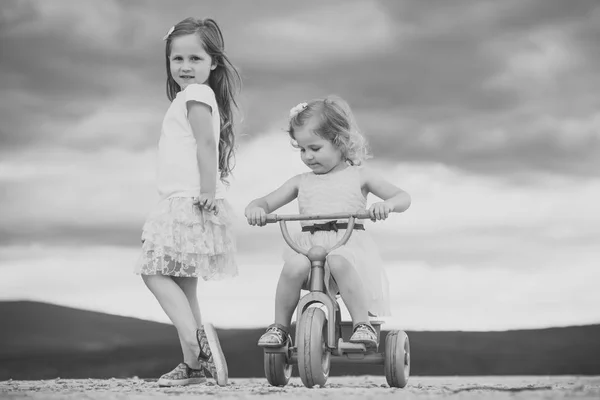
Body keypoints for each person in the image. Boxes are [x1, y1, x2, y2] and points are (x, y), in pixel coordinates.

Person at [245, 96, 411, 350]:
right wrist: (256, 209)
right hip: (309, 248)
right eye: (302, 149)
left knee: (338, 260)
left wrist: (386, 205)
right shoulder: (301, 181)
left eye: (315, 148)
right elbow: (264, 202)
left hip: (347, 248)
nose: (307, 156)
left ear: (339, 142)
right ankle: (279, 327)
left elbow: (403, 197)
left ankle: (361, 324)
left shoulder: (359, 176)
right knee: (293, 266)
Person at [134, 17, 241, 387]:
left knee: (152, 270)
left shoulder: (196, 95)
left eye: (195, 58)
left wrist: (207, 191)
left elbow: (206, 145)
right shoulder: (194, 96)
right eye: (177, 59)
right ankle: (194, 366)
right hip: (187, 198)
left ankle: (197, 347)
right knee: (185, 284)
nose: (184, 67)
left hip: (188, 200)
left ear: (213, 62)